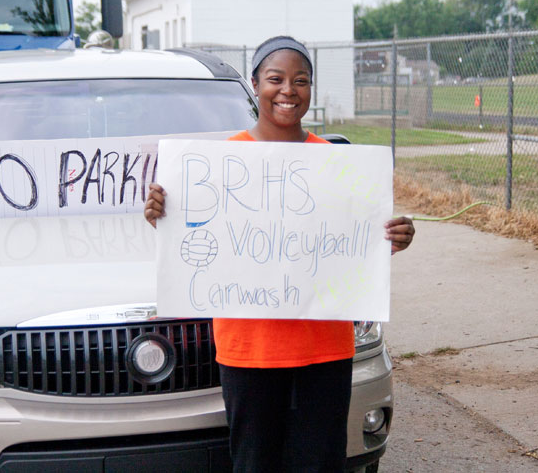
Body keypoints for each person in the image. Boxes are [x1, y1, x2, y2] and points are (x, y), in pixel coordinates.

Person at [144, 36, 415, 473]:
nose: (288, 90)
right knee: (254, 462)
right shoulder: (216, 162)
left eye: (301, 80)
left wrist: (394, 237)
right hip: (250, 350)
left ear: (311, 90)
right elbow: (191, 238)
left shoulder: (337, 164)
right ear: (254, 84)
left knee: (321, 461)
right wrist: (163, 213)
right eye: (276, 79)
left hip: (324, 350)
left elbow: (353, 244)